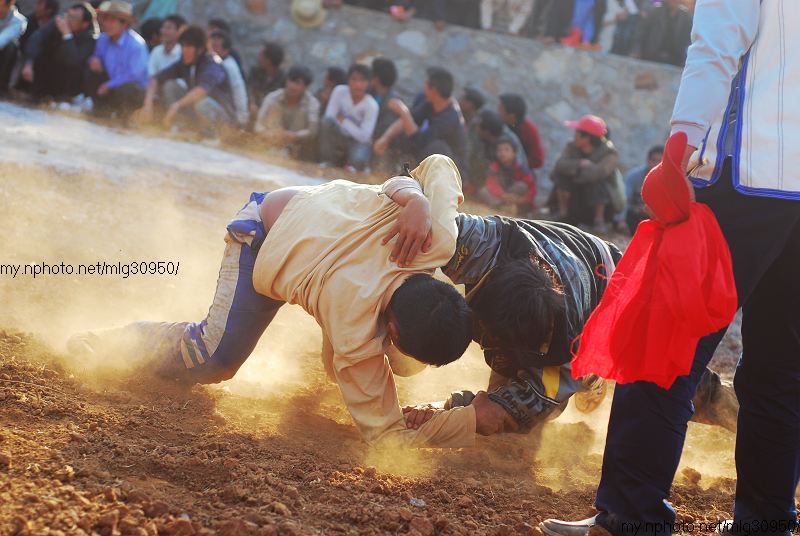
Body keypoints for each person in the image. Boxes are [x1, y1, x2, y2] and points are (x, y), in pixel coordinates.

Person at [539, 1, 800, 535]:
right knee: (781, 371)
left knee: (662, 350)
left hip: (742, 177)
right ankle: (766, 523)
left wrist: (678, 147)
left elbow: (714, 47)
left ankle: (630, 517)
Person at [68, 155, 496, 448]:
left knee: (399, 364)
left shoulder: (435, 240)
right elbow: (386, 436)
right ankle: (108, 342)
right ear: (393, 330)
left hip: (316, 219)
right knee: (213, 356)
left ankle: (371, 358)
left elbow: (438, 164)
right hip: (263, 234)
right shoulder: (354, 326)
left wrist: (415, 198)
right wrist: (470, 421)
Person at [380, 174, 738, 436]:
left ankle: (747, 416)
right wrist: (416, 203)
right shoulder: (481, 244)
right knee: (421, 356)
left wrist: (442, 411)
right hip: (574, 265)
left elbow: (492, 414)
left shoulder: (564, 354)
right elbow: (427, 182)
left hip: (621, 298)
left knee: (682, 383)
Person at [138, 25, 235, 136]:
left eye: (188, 47)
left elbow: (202, 90)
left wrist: (177, 105)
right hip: (198, 112)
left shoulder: (212, 64)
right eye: (183, 46)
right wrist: (148, 103)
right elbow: (156, 79)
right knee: (171, 86)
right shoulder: (185, 63)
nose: (184, 50)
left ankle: (212, 136)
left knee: (203, 103)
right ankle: (183, 126)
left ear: (200, 49)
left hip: (223, 120)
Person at [373, 66, 467, 172]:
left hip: (450, 172)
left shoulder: (450, 118)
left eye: (426, 84)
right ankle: (388, 172)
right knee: (399, 132)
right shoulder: (431, 103)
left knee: (436, 149)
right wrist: (385, 138)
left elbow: (419, 142)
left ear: (434, 90)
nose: (424, 86)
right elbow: (408, 121)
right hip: (424, 149)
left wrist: (402, 111)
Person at [550, 114, 621, 233]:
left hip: (597, 202)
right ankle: (563, 214)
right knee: (561, 176)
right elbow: (560, 164)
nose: (575, 137)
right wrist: (579, 164)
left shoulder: (610, 153)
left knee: (598, 182)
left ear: (587, 138)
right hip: (575, 197)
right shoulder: (572, 146)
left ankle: (599, 220)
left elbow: (599, 173)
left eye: (577, 134)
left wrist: (575, 172)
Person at [18, 2, 98, 101]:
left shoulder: (91, 38)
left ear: (85, 24)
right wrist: (29, 62)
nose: (68, 19)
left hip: (71, 83)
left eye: (74, 18)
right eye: (68, 15)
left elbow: (73, 60)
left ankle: (66, 99)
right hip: (51, 74)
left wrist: (67, 35)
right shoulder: (59, 22)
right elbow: (36, 38)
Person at [83, 0, 148, 120]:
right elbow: (97, 57)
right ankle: (100, 111)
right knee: (90, 72)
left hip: (132, 89)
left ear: (124, 24)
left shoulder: (137, 45)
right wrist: (94, 60)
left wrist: (109, 85)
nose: (107, 24)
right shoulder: (103, 39)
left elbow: (135, 75)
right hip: (111, 84)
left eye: (112, 20)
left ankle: (124, 117)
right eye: (106, 19)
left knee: (128, 88)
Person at [318, 63, 378, 171]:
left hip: (358, 143)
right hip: (339, 136)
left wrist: (344, 121)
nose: (357, 84)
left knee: (357, 162)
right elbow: (330, 117)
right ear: (348, 80)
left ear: (368, 83)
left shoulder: (371, 105)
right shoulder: (339, 91)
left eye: (362, 81)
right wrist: (354, 129)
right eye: (354, 79)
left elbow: (364, 137)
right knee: (326, 123)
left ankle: (351, 166)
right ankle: (328, 161)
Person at [254, 64, 319, 159]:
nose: (292, 86)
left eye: (298, 83)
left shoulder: (312, 103)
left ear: (306, 87)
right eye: (291, 81)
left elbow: (312, 130)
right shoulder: (272, 98)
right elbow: (258, 125)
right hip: (270, 145)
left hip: (298, 151)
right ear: (286, 80)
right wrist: (269, 134)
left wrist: (295, 136)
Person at [478, 136, 536, 214]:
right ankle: (500, 206)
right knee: (483, 191)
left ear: (514, 153)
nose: (502, 153)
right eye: (499, 150)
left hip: (516, 198)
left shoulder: (522, 168)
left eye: (506, 150)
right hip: (501, 196)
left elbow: (531, 188)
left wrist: (521, 200)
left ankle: (508, 207)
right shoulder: (494, 167)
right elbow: (491, 184)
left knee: (522, 186)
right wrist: (504, 195)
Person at [632, 0, 692, 67]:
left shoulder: (685, 16)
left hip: (675, 60)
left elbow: (688, 40)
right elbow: (641, 33)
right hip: (652, 56)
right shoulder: (655, 11)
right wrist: (637, 51)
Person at [208, 30, 248, 128]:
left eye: (216, 47)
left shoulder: (228, 66)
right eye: (211, 46)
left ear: (225, 50)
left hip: (230, 114)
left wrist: (241, 118)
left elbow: (239, 90)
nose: (212, 50)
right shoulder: (213, 62)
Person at [497, 93, 544, 174]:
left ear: (511, 116)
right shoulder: (499, 122)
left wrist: (514, 162)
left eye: (501, 109)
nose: (497, 111)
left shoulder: (529, 131)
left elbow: (537, 160)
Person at [623, 144, 663, 235]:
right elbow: (624, 199)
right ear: (647, 161)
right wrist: (620, 220)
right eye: (653, 160)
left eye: (660, 161)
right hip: (634, 214)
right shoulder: (633, 177)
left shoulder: (669, 179)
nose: (656, 165)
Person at [247, 40, 284, 119]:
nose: (258, 57)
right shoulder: (255, 72)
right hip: (252, 114)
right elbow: (249, 90)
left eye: (261, 55)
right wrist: (251, 104)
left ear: (268, 61)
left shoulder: (283, 79)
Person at [0, 0, 27, 94]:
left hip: (2, 54)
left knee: (12, 46)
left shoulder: (19, 21)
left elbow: (3, 40)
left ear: (11, 2)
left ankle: (2, 87)